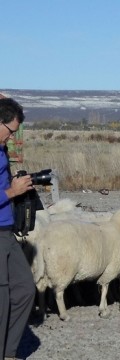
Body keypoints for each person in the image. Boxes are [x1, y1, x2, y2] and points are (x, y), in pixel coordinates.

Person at [0, 98, 35, 360]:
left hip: (6, 230)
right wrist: (12, 191)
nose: (12, 137)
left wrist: (14, 183)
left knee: (24, 288)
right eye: (10, 130)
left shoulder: (1, 150)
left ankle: (9, 351)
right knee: (1, 299)